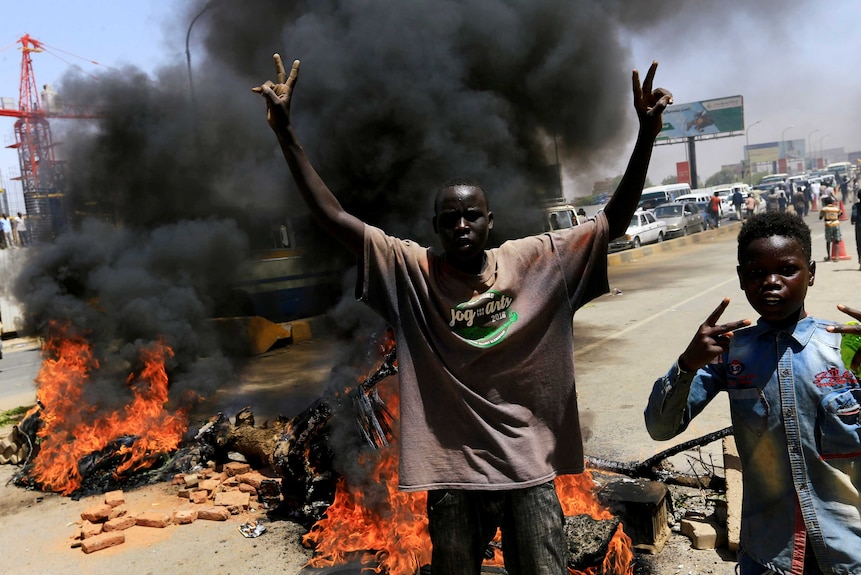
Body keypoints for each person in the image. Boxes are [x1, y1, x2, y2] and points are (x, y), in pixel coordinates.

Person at [254, 55, 671, 574]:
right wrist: (286, 133)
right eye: (449, 218)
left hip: (529, 472)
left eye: (471, 214)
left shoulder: (537, 262)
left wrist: (646, 136)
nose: (461, 225)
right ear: (435, 226)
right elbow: (335, 217)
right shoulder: (411, 271)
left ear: (490, 221)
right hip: (452, 478)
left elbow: (613, 220)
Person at [644, 211, 861, 574]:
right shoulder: (729, 354)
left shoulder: (846, 348)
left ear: (811, 272)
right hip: (768, 556)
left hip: (848, 551)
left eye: (787, 269)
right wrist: (687, 364)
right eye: (757, 273)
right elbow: (660, 428)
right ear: (742, 279)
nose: (771, 282)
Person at [819, 196, 842, 262]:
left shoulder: (824, 209)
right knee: (837, 241)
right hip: (836, 224)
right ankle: (837, 257)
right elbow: (840, 213)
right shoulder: (836, 208)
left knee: (828, 241)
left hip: (828, 225)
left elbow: (820, 217)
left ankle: (829, 256)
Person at [853, 191, 861, 271]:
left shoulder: (856, 206)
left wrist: (852, 221)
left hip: (859, 227)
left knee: (859, 245)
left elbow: (854, 215)